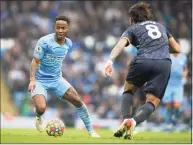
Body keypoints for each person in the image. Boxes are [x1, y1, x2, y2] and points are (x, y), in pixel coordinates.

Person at [104, 2, 180, 139]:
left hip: (143, 60)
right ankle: (134, 122)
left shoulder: (133, 29)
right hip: (164, 63)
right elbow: (177, 48)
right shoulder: (161, 27)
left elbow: (120, 45)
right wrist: (160, 50)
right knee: (152, 102)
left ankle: (126, 119)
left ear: (132, 18)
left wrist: (110, 60)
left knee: (128, 91)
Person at [28, 15, 100, 138]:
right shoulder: (44, 41)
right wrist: (32, 80)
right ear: (54, 28)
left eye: (63, 28)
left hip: (56, 79)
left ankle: (91, 131)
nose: (60, 30)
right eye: (58, 28)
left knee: (78, 101)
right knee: (41, 108)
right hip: (40, 80)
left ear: (68, 29)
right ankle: (39, 116)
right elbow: (35, 61)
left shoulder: (69, 44)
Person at [162, 53, 188, 132]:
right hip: (168, 84)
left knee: (177, 106)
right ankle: (168, 125)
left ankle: (175, 118)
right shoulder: (167, 56)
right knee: (168, 106)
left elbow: (185, 69)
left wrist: (184, 77)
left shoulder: (183, 57)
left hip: (178, 84)